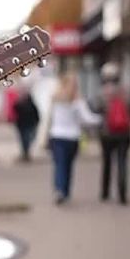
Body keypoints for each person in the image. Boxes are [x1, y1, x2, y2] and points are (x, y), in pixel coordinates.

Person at [46, 72, 101, 205]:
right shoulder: (78, 101)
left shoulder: (55, 99)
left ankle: (59, 190)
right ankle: (65, 191)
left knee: (59, 165)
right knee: (68, 165)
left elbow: (50, 119)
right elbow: (87, 119)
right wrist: (102, 119)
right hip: (72, 138)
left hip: (57, 136)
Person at [91, 62, 130, 205]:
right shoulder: (126, 91)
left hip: (106, 133)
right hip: (124, 132)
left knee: (107, 162)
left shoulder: (101, 92)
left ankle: (105, 192)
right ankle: (122, 193)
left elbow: (95, 109)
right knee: (122, 161)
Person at [11, 85, 40, 162]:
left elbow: (36, 114)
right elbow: (14, 109)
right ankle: (25, 154)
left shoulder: (31, 104)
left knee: (28, 139)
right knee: (24, 140)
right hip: (22, 125)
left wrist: (36, 122)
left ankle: (26, 153)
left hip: (29, 124)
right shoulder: (19, 103)